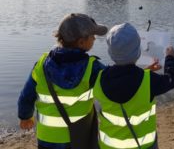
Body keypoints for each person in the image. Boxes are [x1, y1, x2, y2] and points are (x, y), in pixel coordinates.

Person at [18, 13, 108, 149]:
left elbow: (26, 96)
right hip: (79, 137)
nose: (95, 38)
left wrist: (25, 116)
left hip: (47, 138)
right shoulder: (92, 67)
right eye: (92, 36)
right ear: (81, 42)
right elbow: (112, 82)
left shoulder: (42, 64)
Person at [93, 23, 174, 149]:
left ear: (110, 52)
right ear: (138, 52)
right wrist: (170, 57)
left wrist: (147, 70)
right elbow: (172, 79)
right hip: (143, 146)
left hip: (108, 146)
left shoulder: (98, 77)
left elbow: (122, 80)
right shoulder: (149, 81)